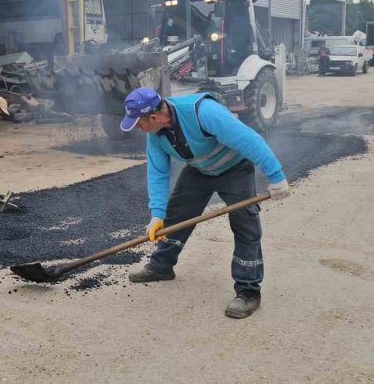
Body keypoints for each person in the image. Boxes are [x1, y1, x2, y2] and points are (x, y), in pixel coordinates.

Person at [120, 87, 290, 319]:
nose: (137, 128)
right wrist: (157, 215)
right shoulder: (156, 136)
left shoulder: (203, 112)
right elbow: (158, 173)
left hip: (234, 169)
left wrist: (277, 176)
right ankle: (161, 266)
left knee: (245, 223)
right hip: (199, 171)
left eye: (138, 122)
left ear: (153, 117)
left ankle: (248, 291)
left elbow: (250, 140)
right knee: (176, 215)